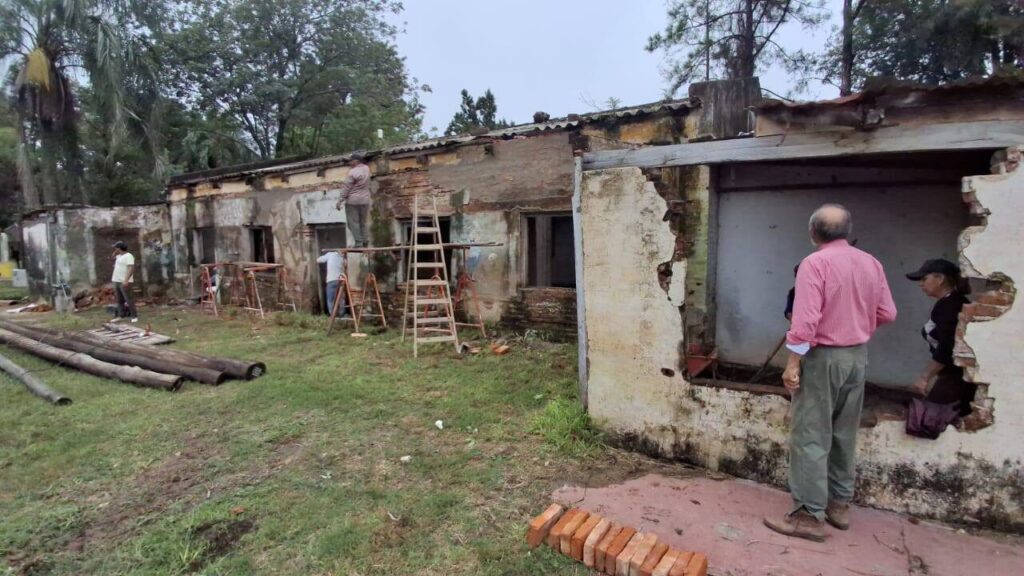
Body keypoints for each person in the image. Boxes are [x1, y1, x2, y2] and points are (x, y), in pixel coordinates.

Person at [764, 204, 897, 542]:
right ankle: (839, 505)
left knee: (811, 434)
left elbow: (805, 322)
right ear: (847, 231)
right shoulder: (871, 263)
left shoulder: (815, 263)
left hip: (823, 357)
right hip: (857, 357)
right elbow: (888, 313)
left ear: (813, 232)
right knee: (844, 432)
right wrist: (856, 326)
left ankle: (808, 516)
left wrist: (793, 363)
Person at [904, 259, 976, 438]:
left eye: (924, 278)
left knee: (928, 422)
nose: (921, 284)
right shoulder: (949, 302)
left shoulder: (949, 305)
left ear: (940, 279)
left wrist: (924, 378)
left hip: (954, 378)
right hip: (951, 376)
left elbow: (947, 347)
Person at [335, 152, 372, 248]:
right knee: (363, 222)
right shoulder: (367, 169)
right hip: (365, 201)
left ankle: (359, 243)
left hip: (353, 201)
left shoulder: (352, 172)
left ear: (356, 161)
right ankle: (365, 241)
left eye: (351, 161)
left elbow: (346, 188)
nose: (349, 163)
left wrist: (340, 201)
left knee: (353, 223)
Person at [110, 241, 138, 323]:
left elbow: (131, 268)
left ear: (119, 248)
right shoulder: (118, 256)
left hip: (124, 280)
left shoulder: (129, 256)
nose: (115, 249)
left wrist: (126, 280)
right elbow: (111, 258)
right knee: (119, 300)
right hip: (116, 280)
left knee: (129, 299)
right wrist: (115, 252)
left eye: (116, 248)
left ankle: (134, 316)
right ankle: (121, 315)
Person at [317, 250, 346, 317]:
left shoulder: (330, 254)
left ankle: (333, 314)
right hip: (340, 280)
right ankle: (342, 314)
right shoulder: (342, 258)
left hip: (331, 280)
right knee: (341, 298)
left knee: (330, 299)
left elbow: (318, 260)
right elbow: (345, 264)